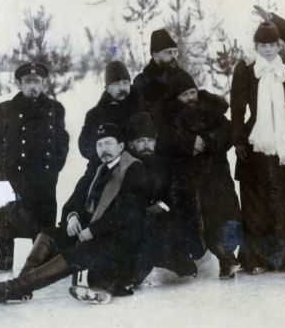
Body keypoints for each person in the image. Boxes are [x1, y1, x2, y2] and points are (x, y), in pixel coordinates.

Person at [0, 123, 149, 304]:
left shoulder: (134, 170)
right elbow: (74, 200)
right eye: (99, 144)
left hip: (120, 244)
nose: (103, 149)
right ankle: (20, 288)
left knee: (79, 252)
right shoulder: (97, 169)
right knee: (49, 233)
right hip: (95, 235)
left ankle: (10, 289)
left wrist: (93, 230)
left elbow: (128, 212)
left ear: (121, 146)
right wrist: (72, 216)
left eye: (108, 143)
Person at [230, 21, 285, 273]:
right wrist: (238, 139)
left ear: (279, 45)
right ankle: (257, 259)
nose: (268, 49)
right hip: (256, 140)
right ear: (256, 46)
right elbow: (237, 108)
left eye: (272, 44)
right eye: (263, 45)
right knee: (256, 200)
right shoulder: (246, 70)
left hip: (284, 141)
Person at [151, 74, 242, 279]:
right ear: (176, 98)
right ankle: (198, 262)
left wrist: (207, 142)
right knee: (194, 222)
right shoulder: (168, 118)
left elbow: (227, 133)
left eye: (193, 92)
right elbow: (164, 142)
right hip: (187, 179)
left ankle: (226, 257)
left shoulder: (212, 110)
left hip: (216, 175)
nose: (191, 97)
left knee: (221, 216)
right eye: (185, 94)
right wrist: (189, 143)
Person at [0, 62, 70, 272]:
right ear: (20, 84)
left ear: (44, 83)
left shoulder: (54, 109)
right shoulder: (4, 110)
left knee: (43, 220)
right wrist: (1, 168)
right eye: (28, 82)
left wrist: (54, 168)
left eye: (37, 82)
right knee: (8, 219)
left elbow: (62, 142)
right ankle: (5, 257)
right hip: (13, 176)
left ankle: (40, 259)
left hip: (43, 177)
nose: (32, 86)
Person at [124, 112, 197, 287]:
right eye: (141, 141)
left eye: (150, 140)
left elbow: (175, 194)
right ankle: (131, 276)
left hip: (162, 222)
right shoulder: (124, 165)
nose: (146, 145)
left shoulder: (164, 165)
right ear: (131, 144)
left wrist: (162, 206)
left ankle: (178, 262)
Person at [78, 60, 143, 173]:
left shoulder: (141, 108)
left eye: (125, 82)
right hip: (105, 166)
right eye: (116, 84)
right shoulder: (95, 115)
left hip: (136, 165)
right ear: (107, 88)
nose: (122, 87)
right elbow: (85, 147)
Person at [132, 28, 192, 111]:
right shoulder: (142, 81)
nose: (173, 56)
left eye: (175, 52)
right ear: (155, 56)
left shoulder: (183, 76)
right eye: (169, 52)